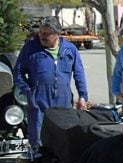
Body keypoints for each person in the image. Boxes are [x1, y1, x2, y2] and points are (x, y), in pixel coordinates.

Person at [13, 16, 89, 149]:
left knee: (63, 139)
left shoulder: (70, 49)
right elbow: (18, 72)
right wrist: (28, 91)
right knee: (39, 141)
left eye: (46, 34)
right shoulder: (31, 48)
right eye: (41, 32)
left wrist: (83, 96)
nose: (41, 36)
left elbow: (79, 74)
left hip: (63, 102)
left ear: (57, 34)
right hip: (39, 101)